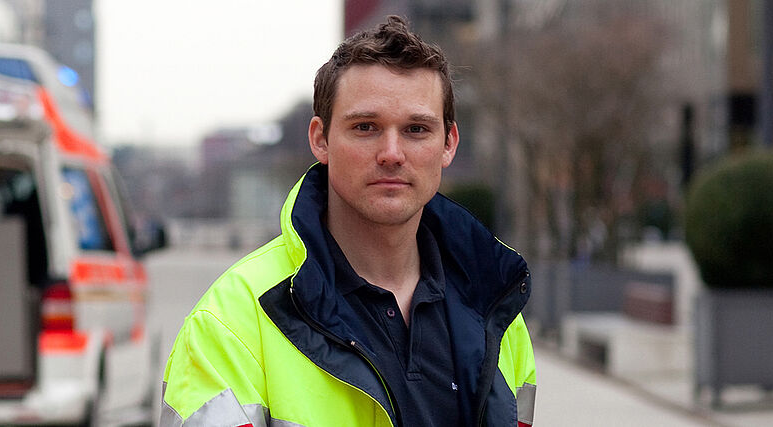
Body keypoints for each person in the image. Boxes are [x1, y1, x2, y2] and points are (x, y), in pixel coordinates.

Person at [160, 16, 537, 427]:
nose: (391, 153)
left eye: (416, 129)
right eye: (365, 127)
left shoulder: (497, 313)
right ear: (320, 139)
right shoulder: (231, 322)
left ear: (448, 144)